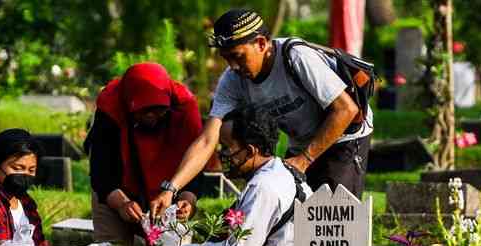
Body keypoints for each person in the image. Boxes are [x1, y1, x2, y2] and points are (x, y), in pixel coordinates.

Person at [151, 8, 372, 219]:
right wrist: (172, 188)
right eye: (226, 58)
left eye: (237, 56)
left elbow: (346, 109)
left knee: (330, 218)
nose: (233, 66)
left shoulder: (296, 57)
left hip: (344, 136)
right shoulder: (231, 80)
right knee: (287, 211)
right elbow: (208, 139)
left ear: (261, 43)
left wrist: (304, 161)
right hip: (302, 142)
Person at [166, 105, 311, 246]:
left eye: (227, 148)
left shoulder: (263, 187)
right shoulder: (281, 171)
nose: (223, 155)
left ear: (251, 151)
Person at [85, 62, 207, 246]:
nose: (152, 116)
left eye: (159, 110)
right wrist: (121, 203)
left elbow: (196, 161)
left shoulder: (184, 106)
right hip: (118, 191)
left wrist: (187, 200)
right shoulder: (111, 106)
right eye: (145, 110)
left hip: (168, 194)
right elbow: (101, 173)